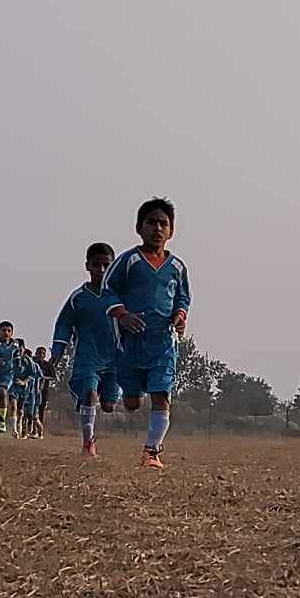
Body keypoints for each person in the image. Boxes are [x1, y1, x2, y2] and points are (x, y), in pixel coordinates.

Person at [104, 197, 191, 468]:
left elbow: (183, 298)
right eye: (151, 222)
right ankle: (131, 393)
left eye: (163, 224)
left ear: (171, 231)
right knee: (132, 402)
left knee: (161, 395)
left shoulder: (177, 267)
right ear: (139, 228)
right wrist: (122, 314)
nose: (157, 228)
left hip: (162, 343)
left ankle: (151, 452)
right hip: (130, 345)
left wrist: (180, 316)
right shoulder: (128, 260)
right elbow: (107, 290)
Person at [52, 242, 122, 457]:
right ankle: (88, 443)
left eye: (106, 265)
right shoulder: (78, 298)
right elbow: (63, 325)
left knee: (108, 405)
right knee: (89, 394)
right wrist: (56, 354)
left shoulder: (119, 296)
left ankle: (101, 400)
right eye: (96, 265)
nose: (101, 270)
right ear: (87, 266)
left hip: (115, 360)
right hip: (88, 358)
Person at [9, 340, 40, 439]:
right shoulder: (11, 358)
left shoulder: (28, 361)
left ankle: (22, 428)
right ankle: (14, 430)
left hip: (25, 389)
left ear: (23, 348)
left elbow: (33, 374)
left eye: (19, 348)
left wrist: (24, 382)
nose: (17, 350)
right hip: (14, 387)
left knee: (21, 410)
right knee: (13, 405)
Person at [30, 346, 54, 438]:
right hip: (31, 390)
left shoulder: (47, 365)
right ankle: (29, 430)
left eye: (43, 353)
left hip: (43, 391)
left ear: (45, 355)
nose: (41, 355)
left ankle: (39, 431)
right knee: (30, 409)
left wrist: (43, 377)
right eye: (39, 353)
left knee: (40, 410)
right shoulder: (32, 363)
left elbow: (53, 376)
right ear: (36, 353)